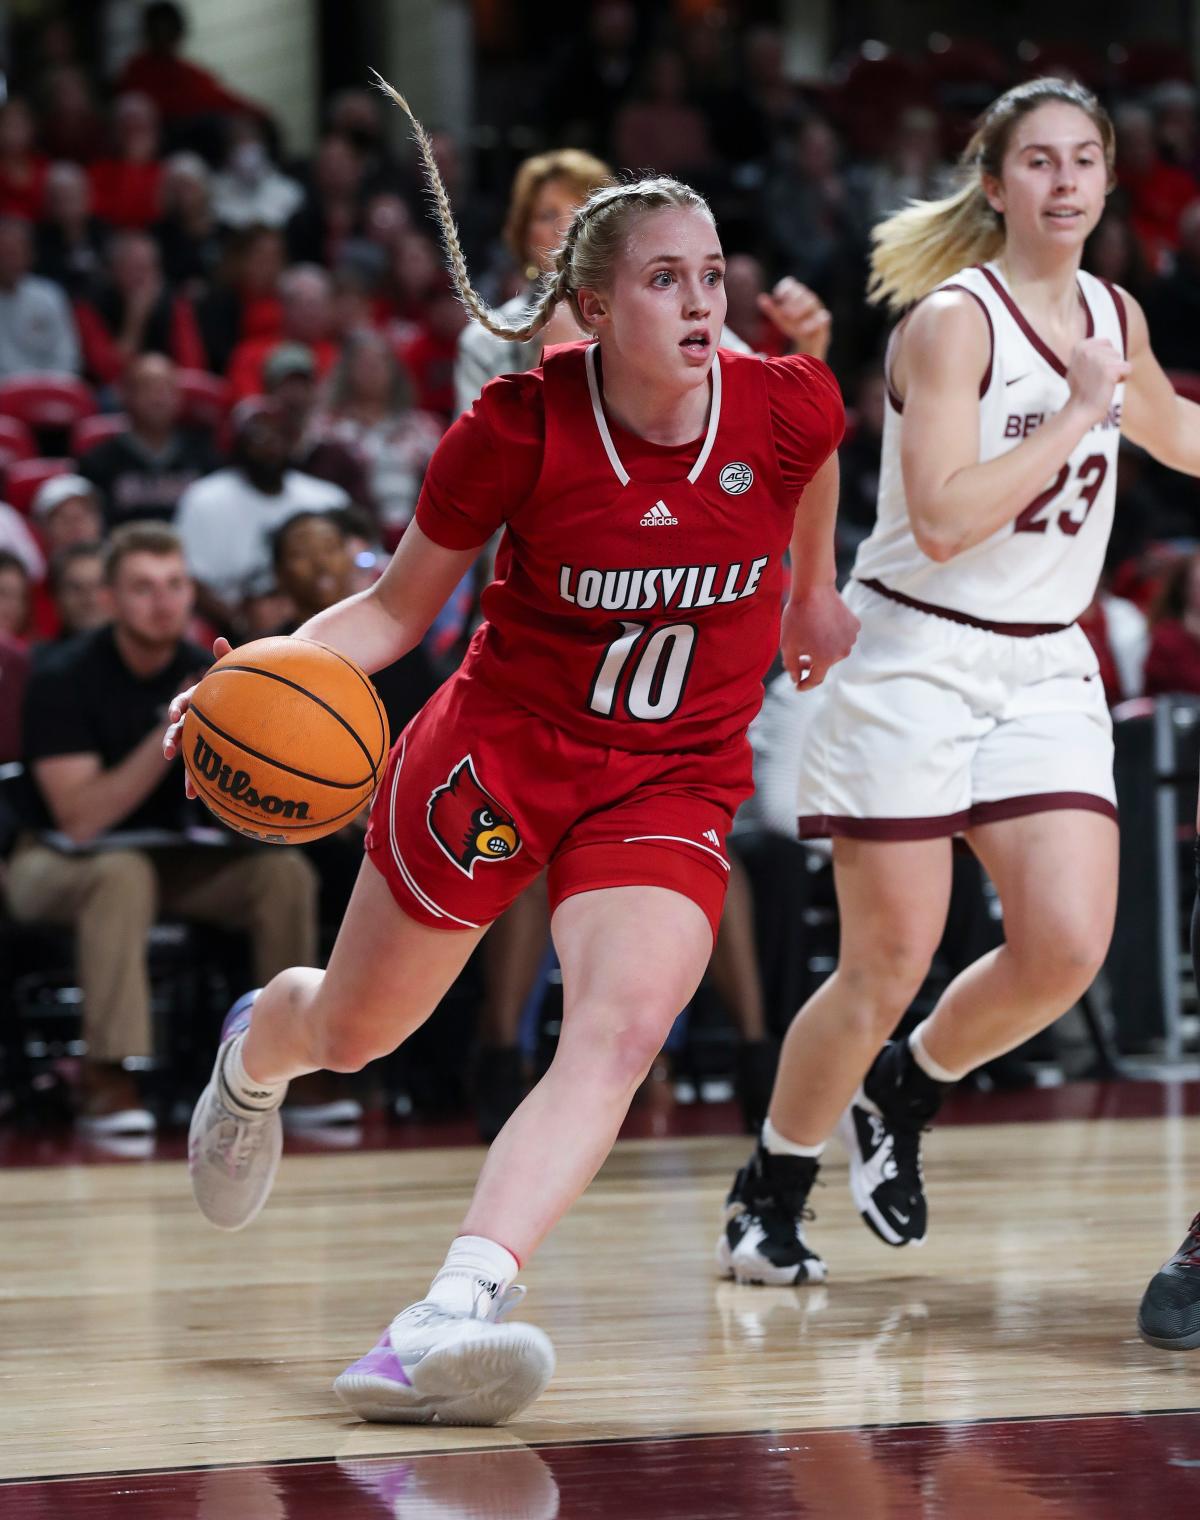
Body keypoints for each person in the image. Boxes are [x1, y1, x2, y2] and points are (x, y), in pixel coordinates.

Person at [166, 77, 852, 1425]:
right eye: (666, 279)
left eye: (713, 273)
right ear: (594, 311)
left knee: (620, 1024)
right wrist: (254, 673)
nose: (704, 300)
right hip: (501, 756)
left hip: (670, 773)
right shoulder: (518, 429)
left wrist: (814, 586)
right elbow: (390, 612)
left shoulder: (785, 405)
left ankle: (449, 1310)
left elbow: (813, 454)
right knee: (358, 1032)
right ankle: (260, 1049)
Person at [719, 74, 1200, 1296]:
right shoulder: (953, 321)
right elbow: (938, 518)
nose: (1065, 181)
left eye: (1084, 158)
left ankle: (908, 1085)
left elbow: (1178, 438)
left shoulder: (1113, 313)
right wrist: (1078, 410)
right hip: (918, 650)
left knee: (1063, 946)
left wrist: (1114, 392)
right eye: (1038, 160)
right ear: (995, 182)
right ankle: (770, 1187)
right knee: (887, 958)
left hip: (1044, 655)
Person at [7, 523, 318, 1133]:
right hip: (50, 861)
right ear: (112, 600)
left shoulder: (212, 670)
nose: (164, 601)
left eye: (176, 585)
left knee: (281, 873)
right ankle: (109, 1076)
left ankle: (289, 1066)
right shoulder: (61, 676)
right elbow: (80, 819)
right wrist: (174, 722)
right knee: (120, 874)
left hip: (171, 859)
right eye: (144, 588)